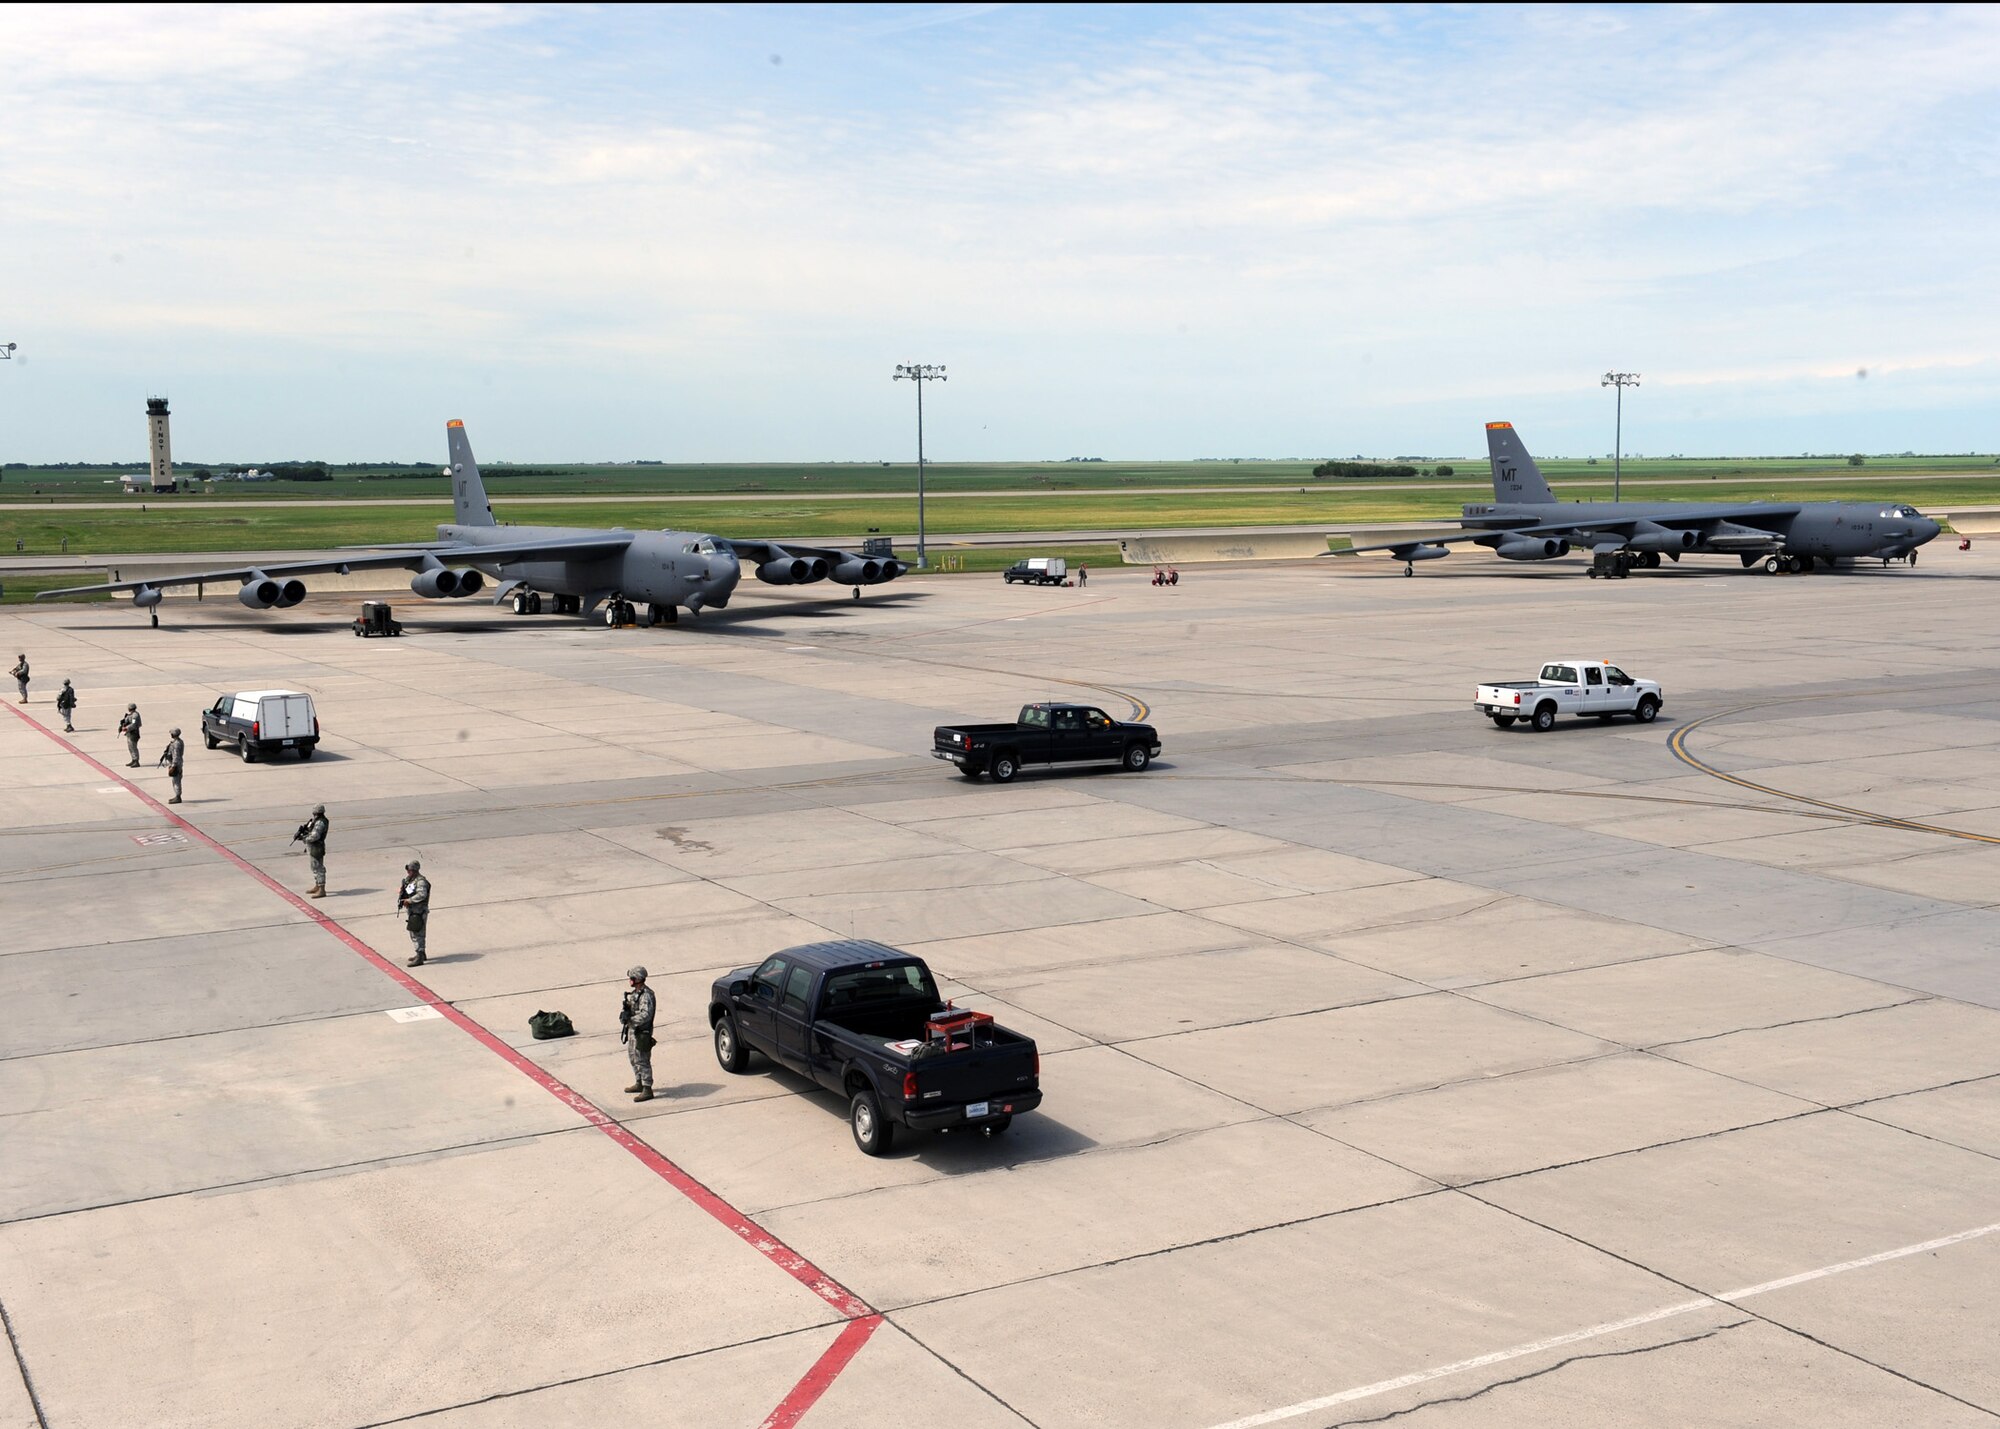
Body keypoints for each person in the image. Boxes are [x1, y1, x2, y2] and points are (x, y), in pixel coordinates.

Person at [620, 966, 656, 1102]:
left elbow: (646, 1014)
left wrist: (631, 1019)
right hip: (633, 1031)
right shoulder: (636, 993)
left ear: (638, 979)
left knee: (642, 1060)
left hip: (642, 1032)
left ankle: (647, 1088)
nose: (630, 980)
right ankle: (639, 1082)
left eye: (632, 978)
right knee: (633, 1057)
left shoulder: (646, 995)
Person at [397, 860, 431, 967]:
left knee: (417, 933)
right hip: (413, 911)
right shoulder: (410, 880)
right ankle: (421, 953)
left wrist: (410, 901)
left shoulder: (420, 882)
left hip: (419, 911)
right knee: (415, 932)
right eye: (408, 870)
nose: (408, 872)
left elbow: (422, 894)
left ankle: (419, 955)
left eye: (410, 870)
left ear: (415, 870)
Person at [300, 805, 329, 898]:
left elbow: (315, 836)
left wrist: (305, 838)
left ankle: (322, 889)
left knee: (319, 868)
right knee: (314, 867)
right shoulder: (316, 821)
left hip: (317, 847)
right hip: (313, 847)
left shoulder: (320, 822)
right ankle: (317, 885)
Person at [158, 727, 186, 804]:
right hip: (177, 763)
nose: (171, 735)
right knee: (175, 780)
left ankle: (178, 797)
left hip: (176, 764)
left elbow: (176, 756)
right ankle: (177, 795)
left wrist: (173, 766)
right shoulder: (178, 742)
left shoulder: (176, 744)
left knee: (176, 781)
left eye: (172, 733)